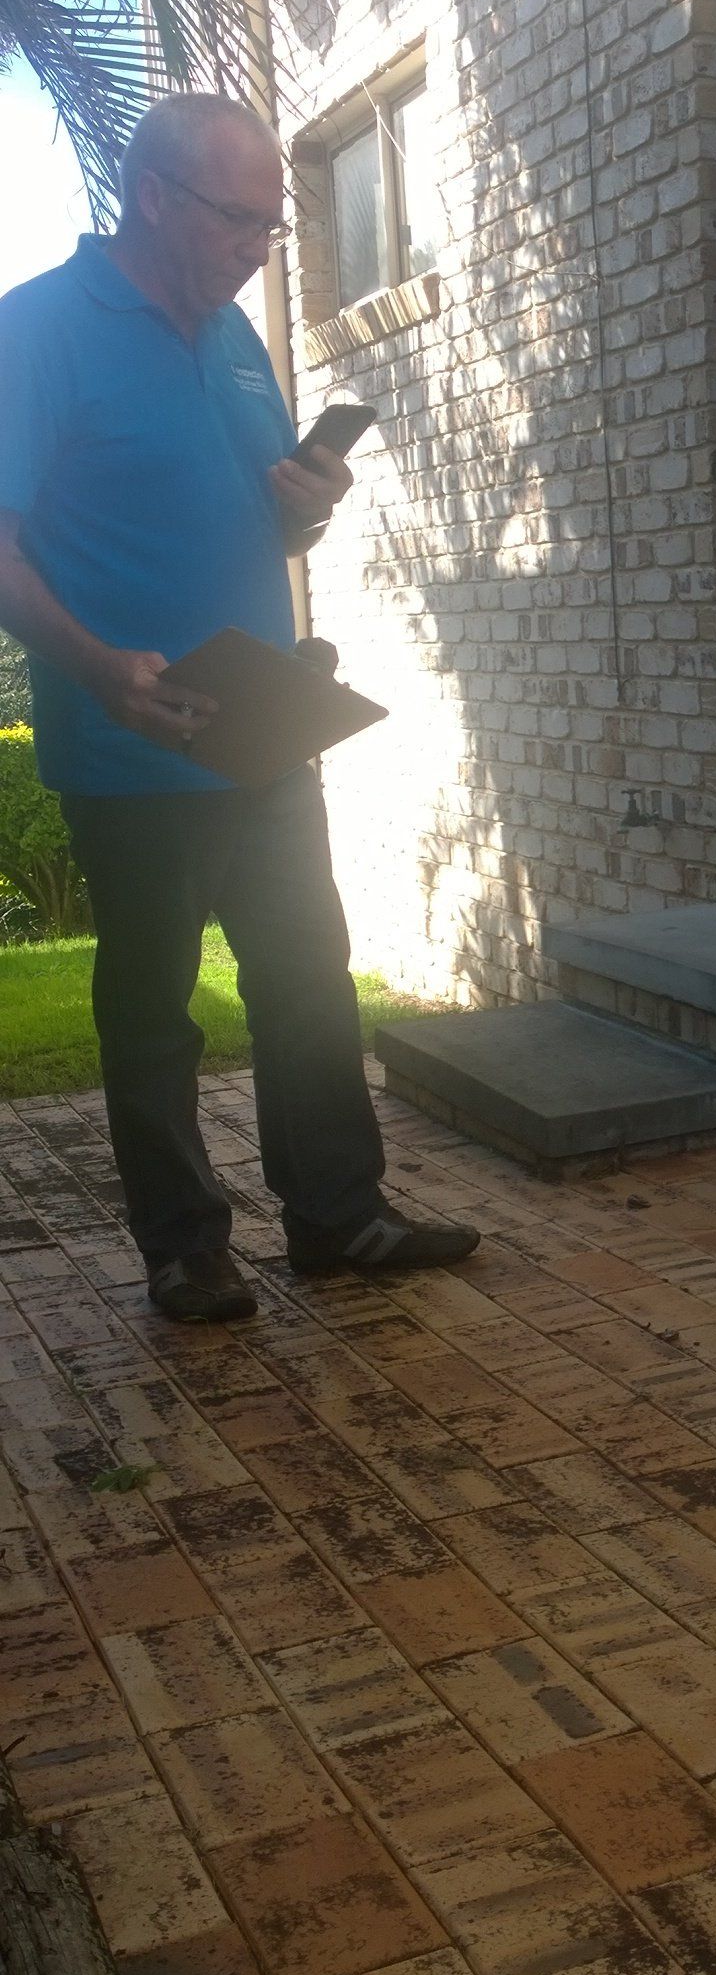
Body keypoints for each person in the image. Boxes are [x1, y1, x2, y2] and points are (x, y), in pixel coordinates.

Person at [0, 91, 478, 1321]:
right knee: (154, 1006)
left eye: (274, 222)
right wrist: (103, 664)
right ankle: (184, 1244)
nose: (259, 245)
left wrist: (311, 498)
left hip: (264, 721)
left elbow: (268, 518)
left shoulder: (235, 337)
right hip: (132, 733)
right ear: (154, 195)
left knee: (310, 973)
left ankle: (338, 1217)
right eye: (239, 218)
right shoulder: (38, 330)